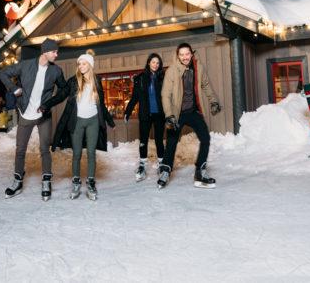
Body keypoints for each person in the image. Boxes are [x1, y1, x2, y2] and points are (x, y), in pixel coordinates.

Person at [0, 38, 67, 201]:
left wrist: (49, 104)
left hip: (43, 115)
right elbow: (2, 73)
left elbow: (64, 90)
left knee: (45, 149)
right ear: (45, 51)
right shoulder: (25, 65)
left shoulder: (56, 71)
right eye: (54, 52)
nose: (56, 55)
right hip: (25, 114)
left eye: (57, 52)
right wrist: (13, 88)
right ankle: (17, 181)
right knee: (20, 149)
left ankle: (46, 181)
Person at [42, 50, 115, 201]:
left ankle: (90, 182)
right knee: (76, 154)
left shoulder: (97, 81)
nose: (80, 66)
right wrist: (46, 105)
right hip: (77, 122)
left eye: (83, 63)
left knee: (91, 153)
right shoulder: (73, 81)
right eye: (79, 64)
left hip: (93, 121)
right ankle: (76, 182)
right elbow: (60, 96)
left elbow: (101, 105)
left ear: (90, 64)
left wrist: (109, 121)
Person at [158, 43, 222, 189]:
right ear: (178, 56)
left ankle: (200, 171)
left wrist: (213, 101)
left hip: (193, 111)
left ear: (191, 54)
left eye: (187, 54)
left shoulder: (198, 67)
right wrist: (169, 115)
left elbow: (205, 85)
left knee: (205, 138)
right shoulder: (172, 71)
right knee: (172, 142)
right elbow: (165, 94)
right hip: (177, 113)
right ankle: (165, 170)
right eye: (182, 55)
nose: (185, 57)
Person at [124, 53, 166, 182]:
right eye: (153, 62)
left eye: (158, 63)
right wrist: (128, 112)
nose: (155, 65)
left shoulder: (162, 77)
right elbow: (135, 97)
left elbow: (169, 96)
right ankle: (142, 165)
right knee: (143, 140)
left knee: (159, 140)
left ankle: (162, 164)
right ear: (149, 63)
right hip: (145, 114)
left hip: (159, 114)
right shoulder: (141, 78)